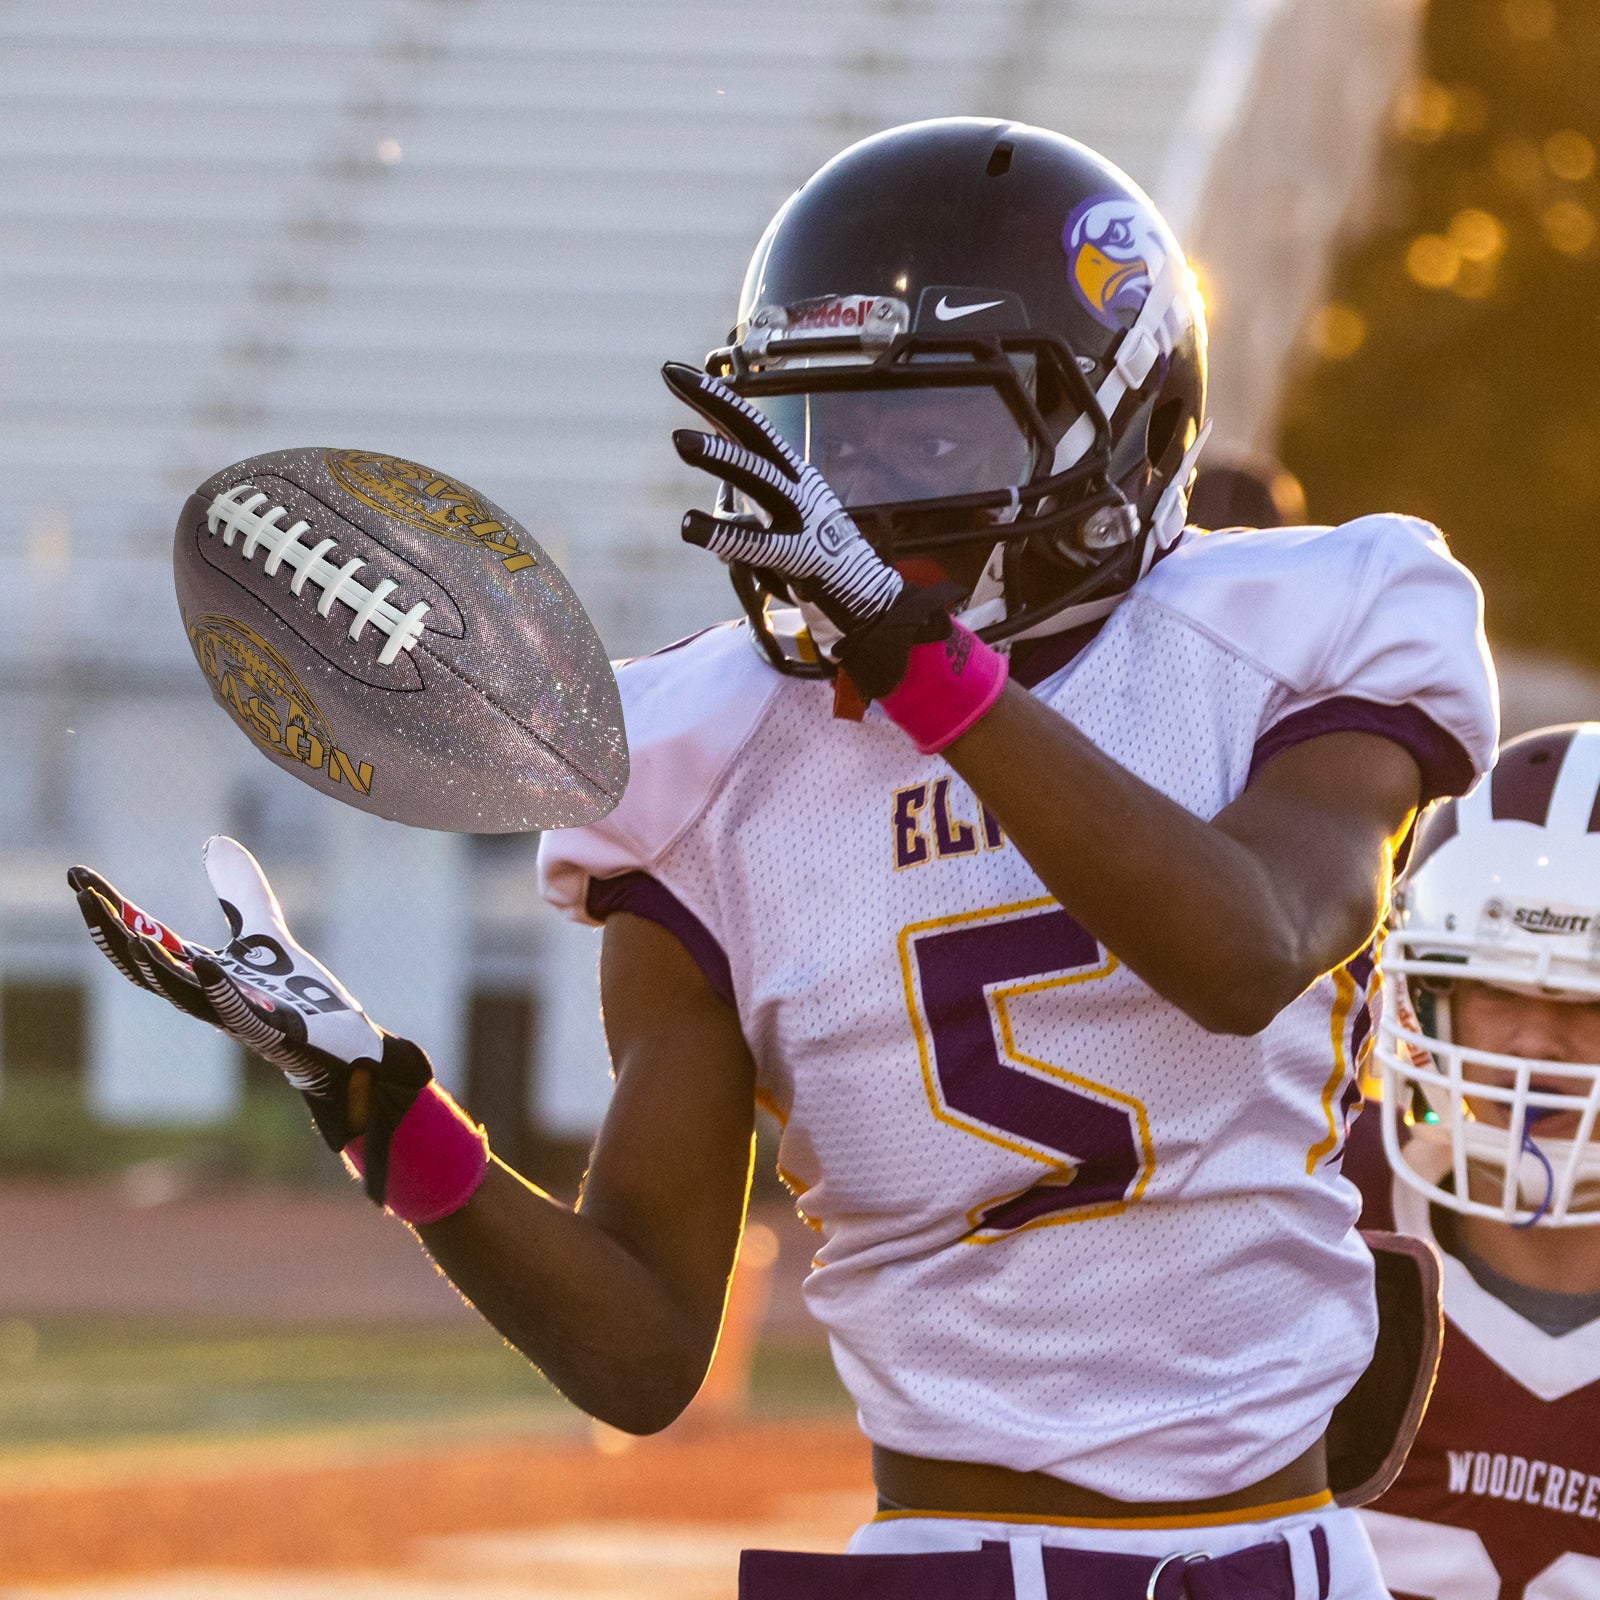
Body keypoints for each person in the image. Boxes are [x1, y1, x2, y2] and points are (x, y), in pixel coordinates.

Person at [73, 119, 1498, 1598]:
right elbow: (638, 1351)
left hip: (1290, 1558)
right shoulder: (709, 759)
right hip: (950, 1560)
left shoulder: (1289, 629)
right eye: (832, 432)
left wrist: (919, 665)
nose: (862, 492)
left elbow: (1244, 946)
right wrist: (375, 1101)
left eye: (937, 434)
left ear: (1130, 432)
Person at [1346, 721, 1600, 1598]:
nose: (1538, 1045)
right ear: (1426, 992)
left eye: (1588, 999)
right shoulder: (1315, 1220)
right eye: (1496, 985)